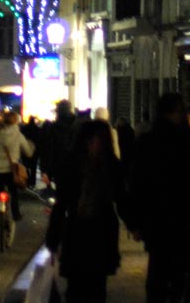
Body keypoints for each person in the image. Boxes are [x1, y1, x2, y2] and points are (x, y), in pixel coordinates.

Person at [127, 92, 190, 303]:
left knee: (160, 278)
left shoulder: (147, 142)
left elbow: (136, 185)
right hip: (189, 222)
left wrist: (135, 222)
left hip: (160, 224)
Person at [46, 118, 125, 302]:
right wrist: (53, 238)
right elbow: (61, 203)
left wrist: (135, 224)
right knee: (77, 287)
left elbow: (122, 198)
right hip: (78, 233)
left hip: (102, 233)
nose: (103, 144)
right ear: (87, 141)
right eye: (100, 139)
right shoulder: (73, 165)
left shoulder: (111, 165)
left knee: (97, 287)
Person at [0, 110, 34, 242]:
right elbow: (28, 152)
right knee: (13, 192)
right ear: (16, 121)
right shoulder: (18, 135)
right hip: (11, 172)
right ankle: (16, 213)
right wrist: (31, 148)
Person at [40, 98, 77, 190]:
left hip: (59, 167)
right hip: (75, 166)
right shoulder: (76, 125)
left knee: (61, 195)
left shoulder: (55, 127)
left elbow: (51, 150)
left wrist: (47, 171)